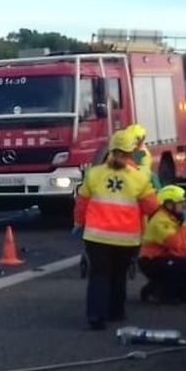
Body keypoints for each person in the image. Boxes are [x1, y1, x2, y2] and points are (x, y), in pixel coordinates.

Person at [74, 132, 159, 330]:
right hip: (126, 239)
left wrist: (78, 223)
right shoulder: (139, 178)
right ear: (131, 153)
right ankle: (116, 312)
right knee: (119, 275)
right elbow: (152, 208)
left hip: (96, 237)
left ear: (110, 150)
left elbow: (82, 204)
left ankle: (96, 315)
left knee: (99, 275)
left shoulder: (93, 174)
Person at [138, 185, 186, 305]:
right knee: (185, 265)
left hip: (162, 258)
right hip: (151, 261)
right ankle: (157, 292)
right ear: (169, 204)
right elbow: (175, 242)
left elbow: (179, 242)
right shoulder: (160, 221)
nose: (184, 205)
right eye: (180, 203)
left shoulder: (170, 217)